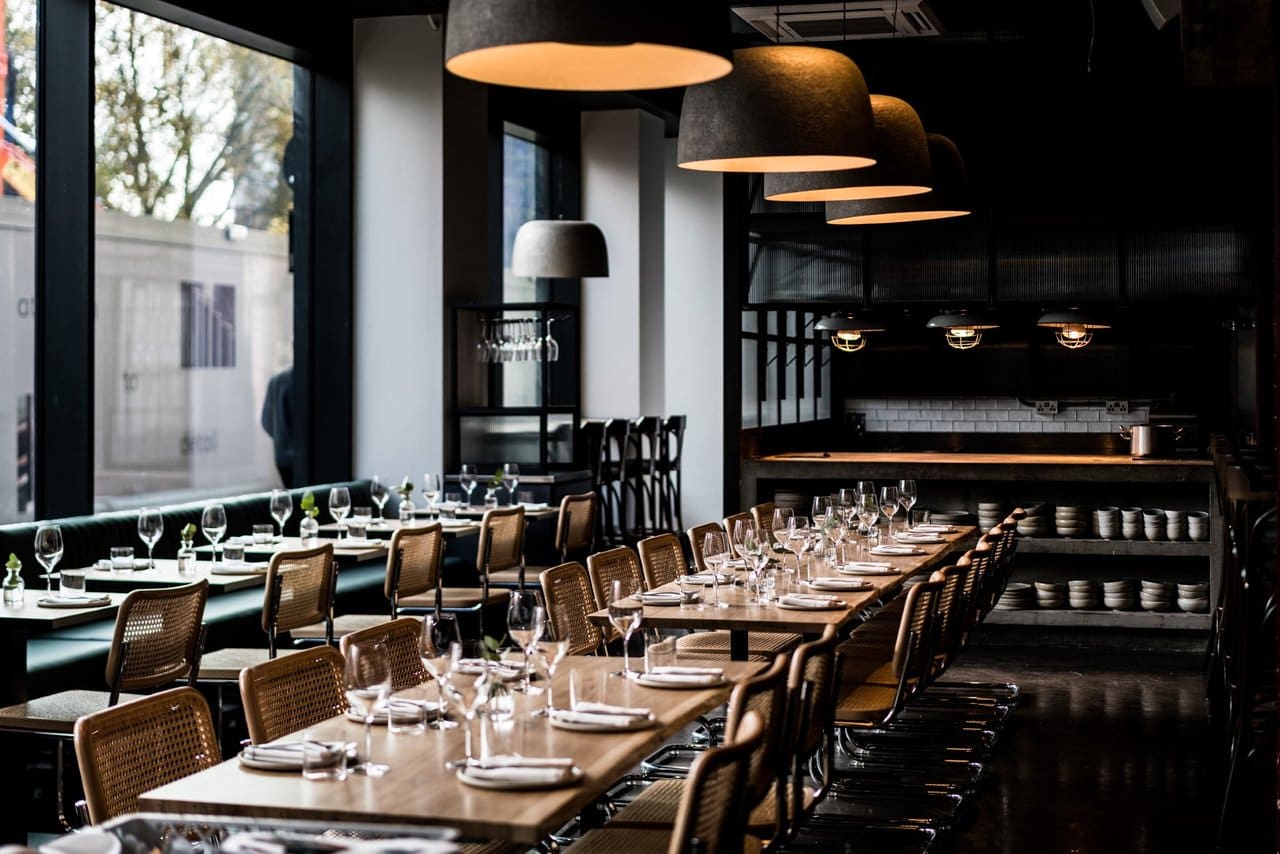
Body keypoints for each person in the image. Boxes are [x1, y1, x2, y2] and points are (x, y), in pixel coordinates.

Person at [261, 366, 295, 487]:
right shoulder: (305, 378)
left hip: (282, 457)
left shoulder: (276, 380)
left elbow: (266, 422)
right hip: (302, 458)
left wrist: (281, 438)